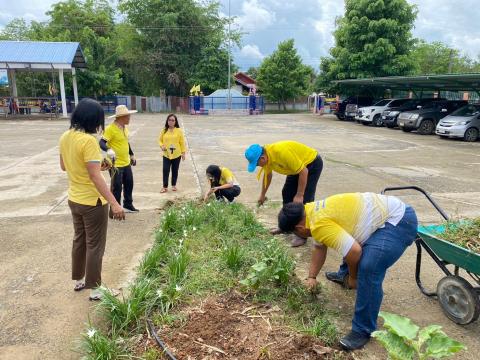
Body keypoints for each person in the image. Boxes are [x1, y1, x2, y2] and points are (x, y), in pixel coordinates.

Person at [277, 192, 418, 350]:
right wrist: (311, 276)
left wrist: (354, 277)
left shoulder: (318, 224)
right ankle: (342, 275)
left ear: (299, 228)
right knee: (347, 237)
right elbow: (319, 247)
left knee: (368, 267)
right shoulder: (311, 212)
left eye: (296, 233)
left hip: (399, 221)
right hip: (386, 214)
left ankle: (363, 330)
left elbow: (354, 252)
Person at [59, 98, 125, 301]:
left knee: (79, 240)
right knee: (95, 244)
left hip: (74, 199)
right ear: (92, 119)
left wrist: (98, 167)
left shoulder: (65, 136)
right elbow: (95, 177)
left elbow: (64, 166)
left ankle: (79, 280)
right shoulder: (88, 141)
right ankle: (96, 290)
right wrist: (114, 203)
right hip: (92, 203)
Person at [244, 141, 323, 246]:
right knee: (287, 193)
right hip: (294, 168)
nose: (258, 166)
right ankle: (286, 225)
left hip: (311, 164)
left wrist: (299, 194)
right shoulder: (267, 157)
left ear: (262, 158)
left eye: (257, 164)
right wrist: (262, 194)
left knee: (305, 199)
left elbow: (303, 172)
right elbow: (267, 176)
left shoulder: (282, 153)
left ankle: (302, 235)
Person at [100, 105, 139, 214]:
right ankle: (115, 208)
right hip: (115, 164)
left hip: (126, 162)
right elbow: (101, 142)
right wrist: (108, 150)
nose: (129, 118)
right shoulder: (110, 129)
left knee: (129, 183)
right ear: (121, 117)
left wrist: (131, 155)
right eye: (128, 116)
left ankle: (128, 205)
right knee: (117, 187)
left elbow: (126, 142)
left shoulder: (124, 128)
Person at [158, 113, 186, 193]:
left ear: (175, 122)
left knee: (175, 170)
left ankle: (173, 185)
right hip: (166, 154)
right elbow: (160, 140)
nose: (171, 122)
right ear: (167, 121)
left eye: (173, 120)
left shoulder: (179, 131)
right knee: (165, 170)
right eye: (169, 120)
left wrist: (183, 153)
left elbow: (182, 142)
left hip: (176, 154)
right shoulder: (164, 130)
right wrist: (161, 146)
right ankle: (165, 187)